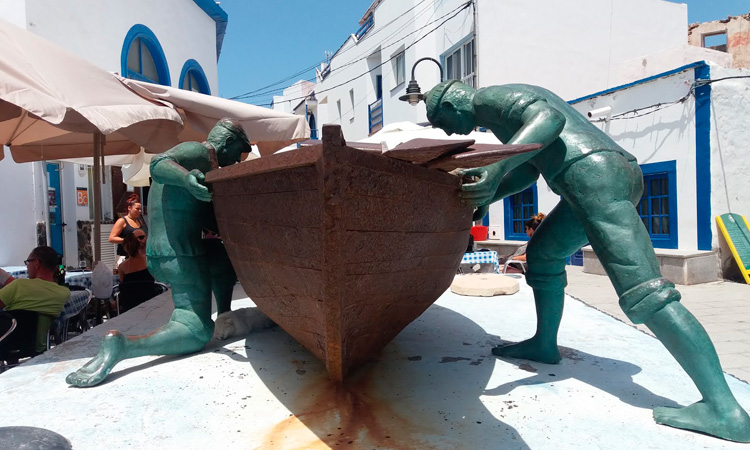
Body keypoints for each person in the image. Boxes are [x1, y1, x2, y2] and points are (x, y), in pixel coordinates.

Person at [425, 80, 750, 442]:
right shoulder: (497, 119)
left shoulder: (488, 98)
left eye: (441, 121)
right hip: (589, 178)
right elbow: (530, 169)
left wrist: (496, 170)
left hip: (595, 177)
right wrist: (491, 191)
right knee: (544, 255)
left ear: (452, 105)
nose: (446, 131)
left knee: (646, 293)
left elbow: (548, 119)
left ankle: (725, 410)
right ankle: (544, 345)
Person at [67, 118, 248, 388]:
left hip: (163, 253)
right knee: (196, 330)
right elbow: (158, 163)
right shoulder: (200, 153)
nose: (237, 160)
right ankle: (124, 346)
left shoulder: (204, 168)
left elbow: (209, 221)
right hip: (179, 255)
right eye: (238, 153)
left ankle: (224, 315)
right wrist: (187, 179)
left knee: (221, 259)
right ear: (228, 142)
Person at [0, 247, 70, 362]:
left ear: (36, 262)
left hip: (4, 342)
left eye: (28, 262)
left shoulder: (19, 285)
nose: (27, 266)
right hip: (35, 347)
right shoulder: (63, 294)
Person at [115, 229, 157, 314]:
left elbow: (123, 286)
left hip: (130, 306)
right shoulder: (148, 260)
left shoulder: (122, 267)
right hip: (150, 302)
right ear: (138, 245)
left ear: (125, 248)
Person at [109, 193, 148, 262]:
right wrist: (128, 240)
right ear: (129, 208)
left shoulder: (139, 222)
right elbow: (111, 238)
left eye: (140, 209)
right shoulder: (122, 221)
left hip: (137, 257)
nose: (140, 211)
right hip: (124, 257)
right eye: (137, 209)